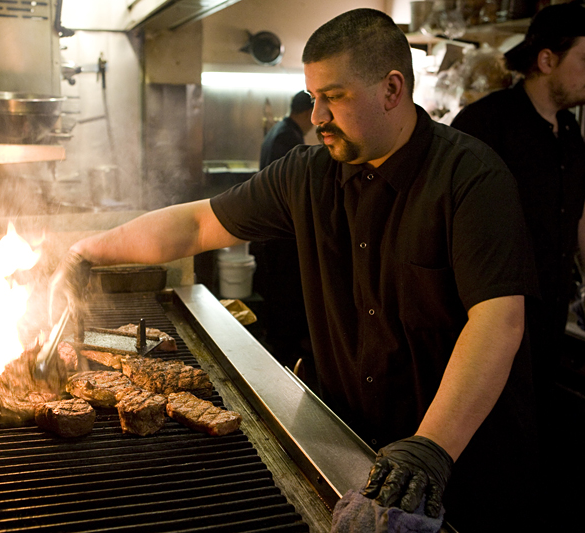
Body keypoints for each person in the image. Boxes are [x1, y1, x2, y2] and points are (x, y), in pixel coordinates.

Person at [50, 8, 540, 531]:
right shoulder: (306, 176)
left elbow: (497, 322)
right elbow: (195, 226)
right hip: (347, 446)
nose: (318, 117)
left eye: (335, 96)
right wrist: (85, 251)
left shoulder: (472, 179)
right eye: (313, 98)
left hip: (454, 462)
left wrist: (431, 448)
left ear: (392, 89)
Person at [451, 2, 585, 423]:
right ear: (546, 60)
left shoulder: (569, 129)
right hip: (487, 327)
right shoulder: (485, 122)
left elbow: (583, 207)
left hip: (548, 324)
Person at [252, 91, 314, 378]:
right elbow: (289, 194)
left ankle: (281, 360)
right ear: (307, 112)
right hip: (278, 237)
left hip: (272, 235)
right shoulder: (287, 137)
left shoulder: (280, 130)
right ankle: (282, 370)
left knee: (279, 301)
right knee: (283, 304)